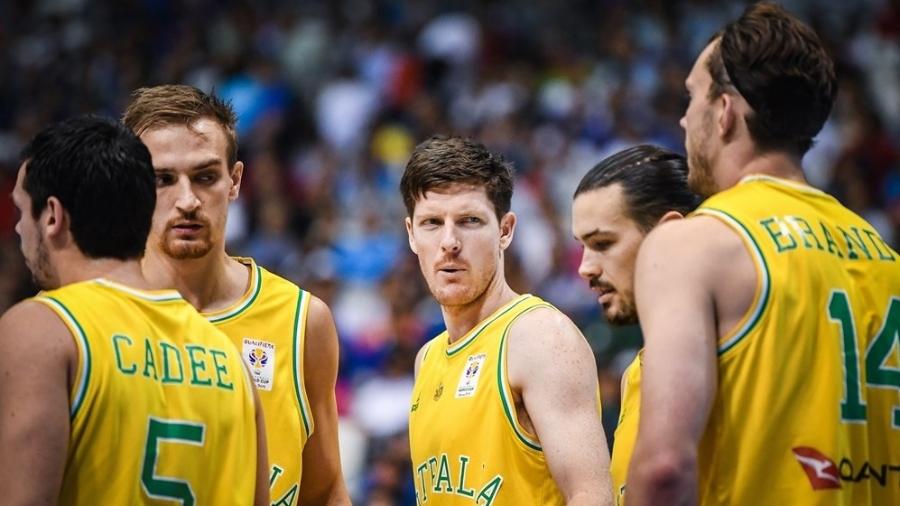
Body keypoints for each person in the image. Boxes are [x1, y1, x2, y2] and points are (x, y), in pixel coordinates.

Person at [627, 3, 900, 505]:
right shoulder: (885, 256)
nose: (685, 119)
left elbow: (665, 468)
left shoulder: (696, 243)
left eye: (692, 97)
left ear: (726, 111)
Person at [0, 115, 268, 505]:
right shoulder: (232, 361)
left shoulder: (44, 329)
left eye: (23, 212)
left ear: (53, 216)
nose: (20, 229)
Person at [123, 85, 349, 505]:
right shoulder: (94, 316)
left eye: (205, 176)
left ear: (235, 180)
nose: (187, 200)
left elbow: (325, 490)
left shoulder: (303, 321)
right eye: (163, 179)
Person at [401, 135, 613, 505]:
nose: (449, 242)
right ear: (412, 235)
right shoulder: (427, 359)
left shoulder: (539, 337)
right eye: (432, 223)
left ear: (505, 230)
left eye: (469, 221)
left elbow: (592, 496)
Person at [570, 145, 700, 505]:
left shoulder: (734, 357)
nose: (585, 267)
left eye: (603, 243)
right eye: (582, 247)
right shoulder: (636, 374)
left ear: (670, 235)